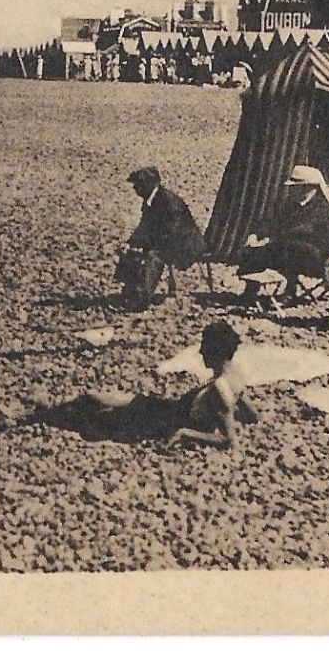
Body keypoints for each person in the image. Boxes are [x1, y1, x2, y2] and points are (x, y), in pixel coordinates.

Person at [120, 166, 205, 309]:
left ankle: (141, 300)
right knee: (131, 251)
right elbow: (144, 226)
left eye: (138, 185)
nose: (135, 189)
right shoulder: (149, 200)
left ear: (149, 185)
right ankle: (130, 292)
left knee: (154, 257)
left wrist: (149, 244)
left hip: (185, 245)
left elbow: (174, 231)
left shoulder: (169, 201)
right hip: (168, 242)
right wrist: (131, 243)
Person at [170, 321, 256, 450]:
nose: (200, 351)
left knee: (134, 404)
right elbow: (253, 416)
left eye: (204, 346)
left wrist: (185, 434)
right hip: (175, 409)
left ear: (215, 351)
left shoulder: (220, 386)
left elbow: (229, 442)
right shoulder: (236, 376)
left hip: (170, 418)